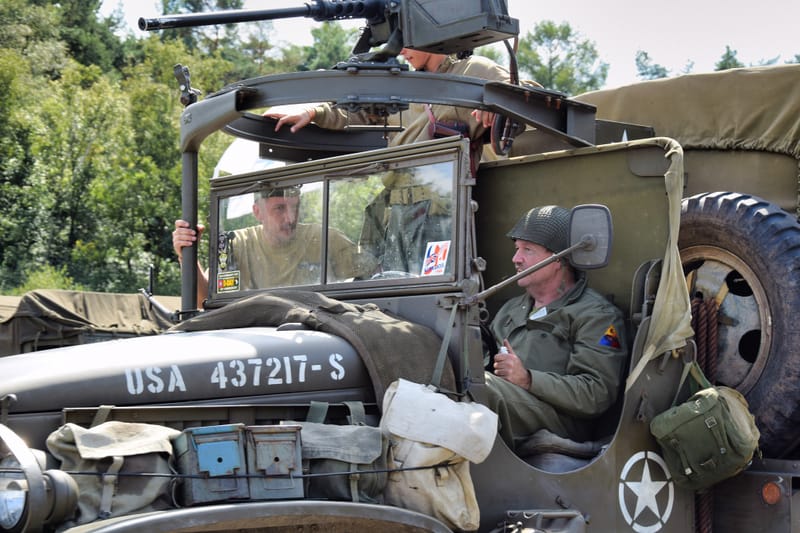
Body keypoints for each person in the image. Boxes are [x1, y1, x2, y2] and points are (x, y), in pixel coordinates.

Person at [483, 205, 628, 454]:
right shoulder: (511, 310)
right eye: (516, 249)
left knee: (481, 389)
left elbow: (596, 393)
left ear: (559, 258)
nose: (516, 259)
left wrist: (528, 379)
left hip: (560, 421)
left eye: (527, 250)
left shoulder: (597, 316)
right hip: (509, 405)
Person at [264, 48, 527, 160]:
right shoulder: (400, 86)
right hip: (398, 205)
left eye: (407, 38)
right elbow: (358, 116)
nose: (400, 50)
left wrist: (498, 103)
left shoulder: (470, 71)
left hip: (445, 207)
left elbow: (530, 96)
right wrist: (312, 112)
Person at [172, 186, 376, 304]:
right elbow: (203, 301)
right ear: (257, 212)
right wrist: (186, 255)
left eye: (295, 207)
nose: (291, 218)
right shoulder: (236, 245)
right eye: (279, 208)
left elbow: (374, 280)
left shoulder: (325, 239)